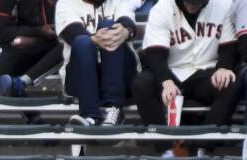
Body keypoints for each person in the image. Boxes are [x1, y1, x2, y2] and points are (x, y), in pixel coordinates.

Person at [132, 0, 239, 135]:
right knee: (142, 84)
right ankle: (165, 149)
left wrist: (224, 67)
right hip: (171, 71)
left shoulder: (224, 5)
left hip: (206, 70)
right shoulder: (162, 8)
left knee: (230, 84)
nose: (193, 4)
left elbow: (229, 45)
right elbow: (155, 53)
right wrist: (166, 81)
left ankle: (204, 145)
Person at [55, 0, 140, 125]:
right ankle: (89, 116)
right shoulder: (66, 3)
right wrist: (94, 39)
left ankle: (114, 107)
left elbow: (127, 19)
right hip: (82, 77)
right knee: (83, 41)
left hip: (120, 78)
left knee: (108, 25)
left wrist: (126, 30)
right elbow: (71, 33)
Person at [0, 0, 65, 97]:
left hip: (56, 47)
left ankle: (21, 83)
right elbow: (1, 32)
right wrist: (39, 32)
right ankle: (19, 96)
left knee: (70, 43)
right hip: (28, 44)